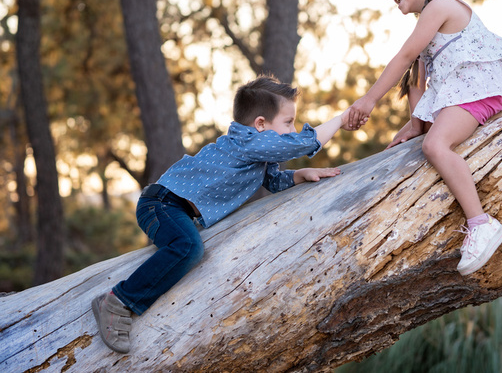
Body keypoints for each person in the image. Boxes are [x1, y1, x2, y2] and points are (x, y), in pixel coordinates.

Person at [92, 75, 351, 353]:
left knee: (186, 246)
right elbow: (300, 144)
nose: (293, 129)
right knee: (189, 247)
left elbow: (273, 181)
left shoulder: (254, 150)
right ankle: (118, 301)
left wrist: (299, 174)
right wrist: (340, 119)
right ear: (260, 124)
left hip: (172, 208)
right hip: (161, 204)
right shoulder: (248, 142)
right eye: (288, 122)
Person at [347, 0, 502, 277]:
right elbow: (418, 81)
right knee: (423, 140)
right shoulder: (430, 20)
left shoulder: (441, 6)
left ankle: (481, 223)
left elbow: (403, 57)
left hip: (477, 91)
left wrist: (368, 100)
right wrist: (414, 124)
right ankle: (476, 221)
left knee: (435, 146)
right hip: (466, 93)